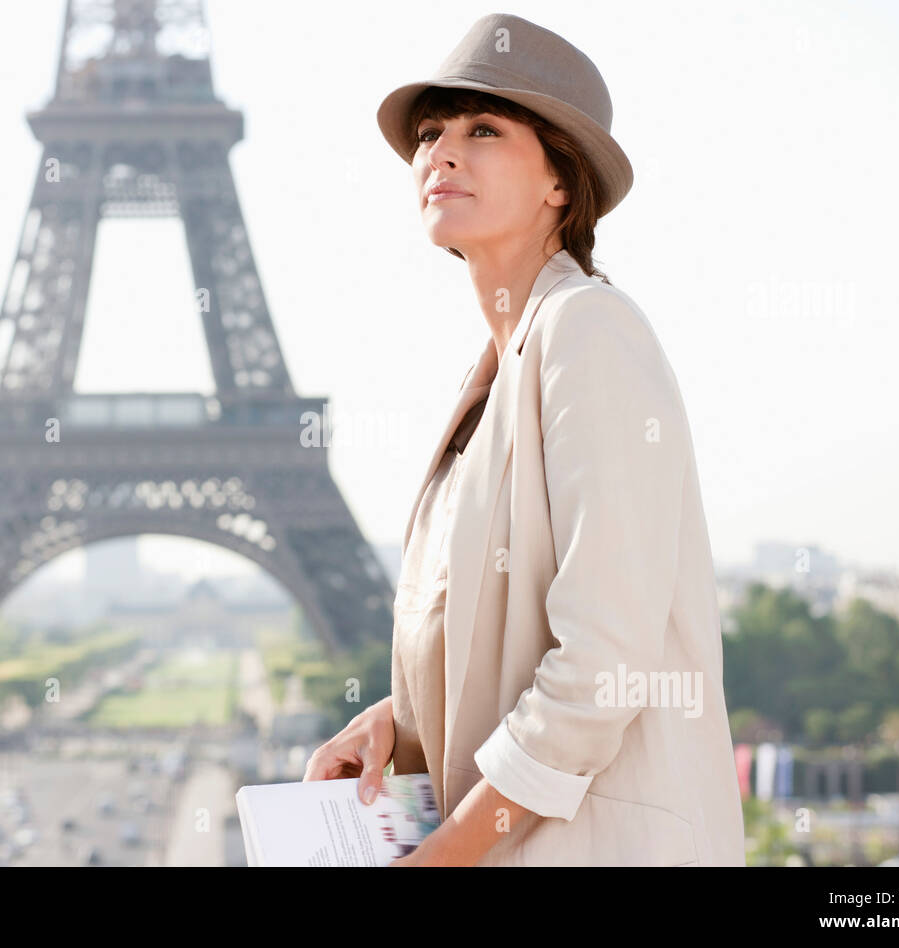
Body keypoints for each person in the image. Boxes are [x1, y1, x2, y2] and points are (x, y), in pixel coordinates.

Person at [303, 12, 745, 866]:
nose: (440, 152)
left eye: (483, 129)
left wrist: (446, 854)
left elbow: (601, 660)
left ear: (560, 185)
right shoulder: (497, 379)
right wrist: (398, 722)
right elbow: (498, 631)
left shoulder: (590, 330)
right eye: (431, 132)